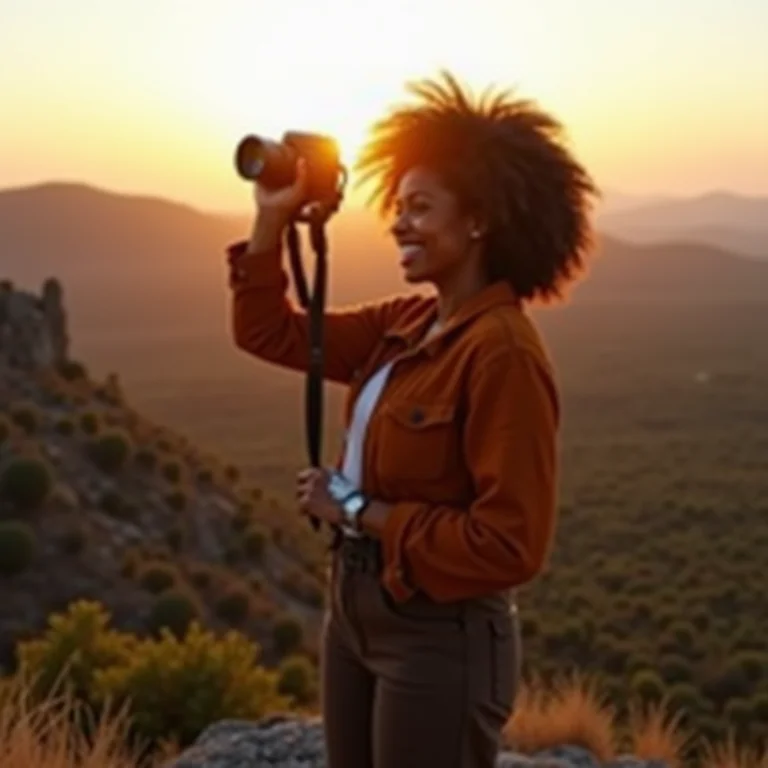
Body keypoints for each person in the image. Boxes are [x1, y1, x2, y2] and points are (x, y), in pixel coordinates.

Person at [226, 71, 598, 768]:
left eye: (420, 207)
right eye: (398, 206)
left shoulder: (503, 354)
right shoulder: (409, 321)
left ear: (479, 219)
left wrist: (361, 508)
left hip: (440, 635)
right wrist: (272, 219)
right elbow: (271, 334)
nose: (398, 222)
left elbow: (511, 545)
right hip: (355, 614)